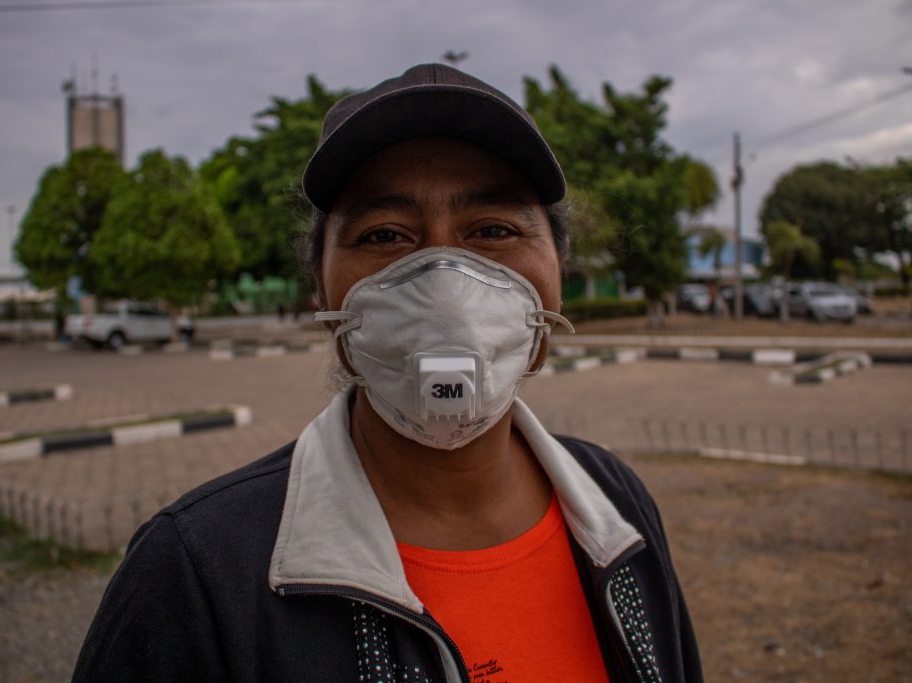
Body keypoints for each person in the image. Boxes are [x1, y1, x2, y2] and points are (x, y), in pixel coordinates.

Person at [73, 63, 702, 683]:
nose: (444, 288)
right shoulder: (195, 574)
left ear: (556, 276)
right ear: (321, 295)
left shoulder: (617, 504)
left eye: (492, 229)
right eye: (384, 235)